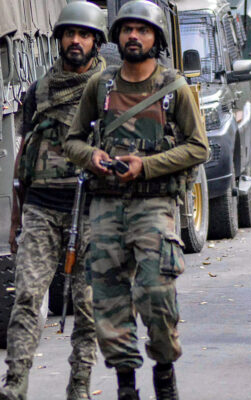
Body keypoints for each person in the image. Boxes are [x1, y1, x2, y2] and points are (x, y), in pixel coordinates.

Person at [63, 1, 209, 399]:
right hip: (105, 208)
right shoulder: (101, 87)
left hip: (154, 207)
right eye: (127, 29)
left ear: (155, 39)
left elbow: (199, 148)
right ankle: (126, 385)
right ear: (117, 36)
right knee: (108, 304)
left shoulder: (174, 88)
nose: (133, 36)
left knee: (157, 295)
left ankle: (165, 375)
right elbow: (72, 140)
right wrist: (91, 156)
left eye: (142, 30)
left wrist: (145, 166)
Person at [1, 3, 107, 399]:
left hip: (92, 210)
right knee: (27, 297)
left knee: (87, 306)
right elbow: (25, 150)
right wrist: (16, 217)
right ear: (59, 38)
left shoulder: (109, 91)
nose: (75, 41)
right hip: (41, 207)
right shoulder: (39, 90)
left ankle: (79, 385)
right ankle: (15, 384)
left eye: (84, 35)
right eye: (69, 34)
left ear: (96, 41)